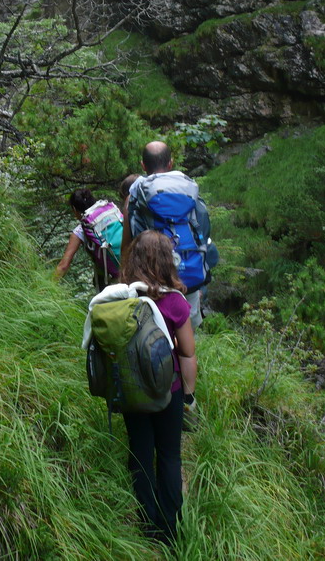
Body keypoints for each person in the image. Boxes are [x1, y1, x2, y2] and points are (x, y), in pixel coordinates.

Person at [121, 229, 197, 544]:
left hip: (131, 390)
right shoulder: (175, 302)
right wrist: (188, 395)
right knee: (168, 455)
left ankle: (147, 525)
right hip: (169, 389)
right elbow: (188, 353)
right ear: (168, 261)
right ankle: (169, 528)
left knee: (140, 454)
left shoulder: (121, 297)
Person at [121, 141, 213, 330]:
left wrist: (124, 282)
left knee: (157, 333)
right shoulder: (189, 190)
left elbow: (127, 247)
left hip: (152, 279)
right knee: (188, 337)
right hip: (190, 273)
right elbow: (204, 231)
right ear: (170, 163)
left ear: (143, 165)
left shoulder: (134, 198)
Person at [55, 188, 122, 291]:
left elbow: (63, 266)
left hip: (114, 279)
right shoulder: (111, 213)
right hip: (137, 265)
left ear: (74, 209)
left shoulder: (81, 230)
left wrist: (48, 287)